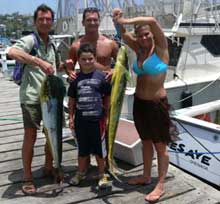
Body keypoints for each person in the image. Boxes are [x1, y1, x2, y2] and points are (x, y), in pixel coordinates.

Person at [112, 8, 172, 202]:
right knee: (145, 141)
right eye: (140, 36)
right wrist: (117, 18)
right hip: (139, 103)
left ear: (152, 34)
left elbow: (153, 20)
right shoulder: (138, 49)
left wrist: (126, 19)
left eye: (146, 34)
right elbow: (122, 33)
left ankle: (160, 184)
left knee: (160, 146)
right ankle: (146, 176)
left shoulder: (161, 47)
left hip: (156, 104)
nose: (144, 38)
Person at [7, 4, 59, 195]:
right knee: (31, 135)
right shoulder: (30, 40)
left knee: (51, 134)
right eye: (41, 19)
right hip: (31, 97)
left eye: (48, 19)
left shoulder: (52, 43)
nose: (45, 22)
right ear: (35, 22)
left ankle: (48, 165)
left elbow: (55, 69)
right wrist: (38, 61)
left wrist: (67, 67)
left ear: (52, 21)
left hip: (50, 98)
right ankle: (27, 176)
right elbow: (11, 52)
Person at [68, 43, 111, 189]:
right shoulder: (75, 79)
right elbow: (72, 100)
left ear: (95, 58)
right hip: (81, 121)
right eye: (84, 59)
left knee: (100, 152)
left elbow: (107, 97)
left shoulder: (102, 77)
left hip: (97, 121)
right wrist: (70, 118)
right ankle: (80, 173)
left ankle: (101, 174)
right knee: (82, 151)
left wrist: (107, 114)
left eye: (90, 59)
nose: (87, 62)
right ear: (78, 60)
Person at [64, 7, 119, 81]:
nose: (92, 23)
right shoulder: (76, 46)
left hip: (106, 88)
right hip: (86, 88)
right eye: (89, 20)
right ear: (83, 23)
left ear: (99, 22)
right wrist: (70, 72)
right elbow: (69, 68)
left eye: (95, 20)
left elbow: (122, 66)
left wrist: (114, 71)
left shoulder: (110, 44)